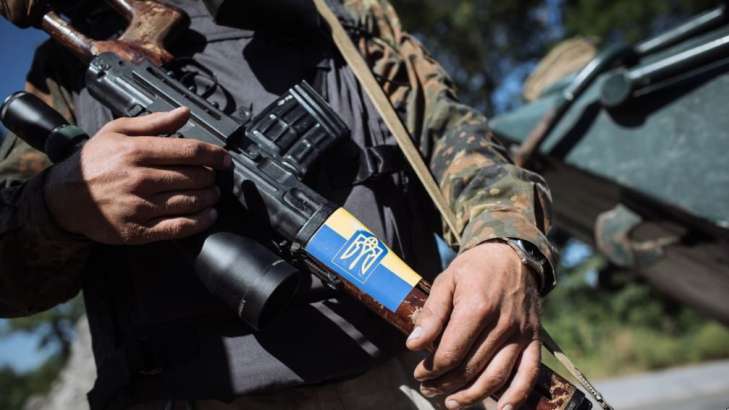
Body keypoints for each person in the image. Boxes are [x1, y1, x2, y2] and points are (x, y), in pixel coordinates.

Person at [0, 1, 558, 409]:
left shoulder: (344, 17)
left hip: (412, 378)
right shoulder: (63, 72)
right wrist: (57, 206)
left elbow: (456, 143)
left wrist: (505, 246)